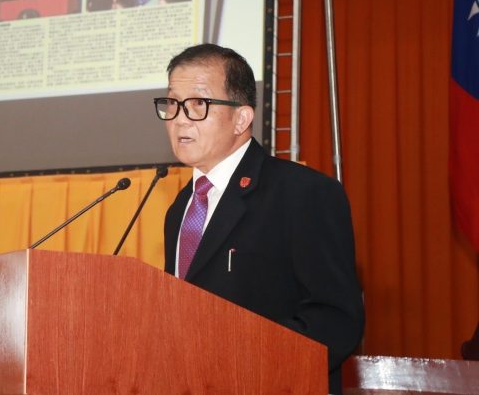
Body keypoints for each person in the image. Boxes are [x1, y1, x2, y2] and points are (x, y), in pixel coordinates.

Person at [156, 44, 364, 394]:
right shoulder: (180, 208)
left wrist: (245, 362)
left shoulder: (302, 192)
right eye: (173, 103)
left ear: (241, 119)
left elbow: (336, 318)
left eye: (197, 104)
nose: (179, 118)